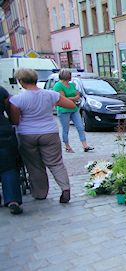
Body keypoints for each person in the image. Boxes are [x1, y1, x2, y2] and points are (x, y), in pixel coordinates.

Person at [8, 68, 76, 203]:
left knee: (35, 165)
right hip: (49, 132)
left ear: (21, 81)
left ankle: (40, 193)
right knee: (56, 163)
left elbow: (15, 120)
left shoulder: (17, 99)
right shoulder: (50, 95)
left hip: (27, 134)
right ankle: (65, 188)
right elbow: (70, 104)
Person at [54, 68, 93, 153]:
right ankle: (67, 146)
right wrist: (74, 98)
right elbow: (62, 99)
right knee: (65, 129)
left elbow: (77, 94)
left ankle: (85, 145)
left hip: (74, 109)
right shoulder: (58, 85)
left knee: (80, 126)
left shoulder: (72, 85)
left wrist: (73, 98)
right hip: (63, 110)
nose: (71, 77)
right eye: (69, 76)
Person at [0, 86, 23, 214]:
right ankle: (12, 199)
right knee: (8, 167)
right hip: (3, 130)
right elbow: (10, 109)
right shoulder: (1, 91)